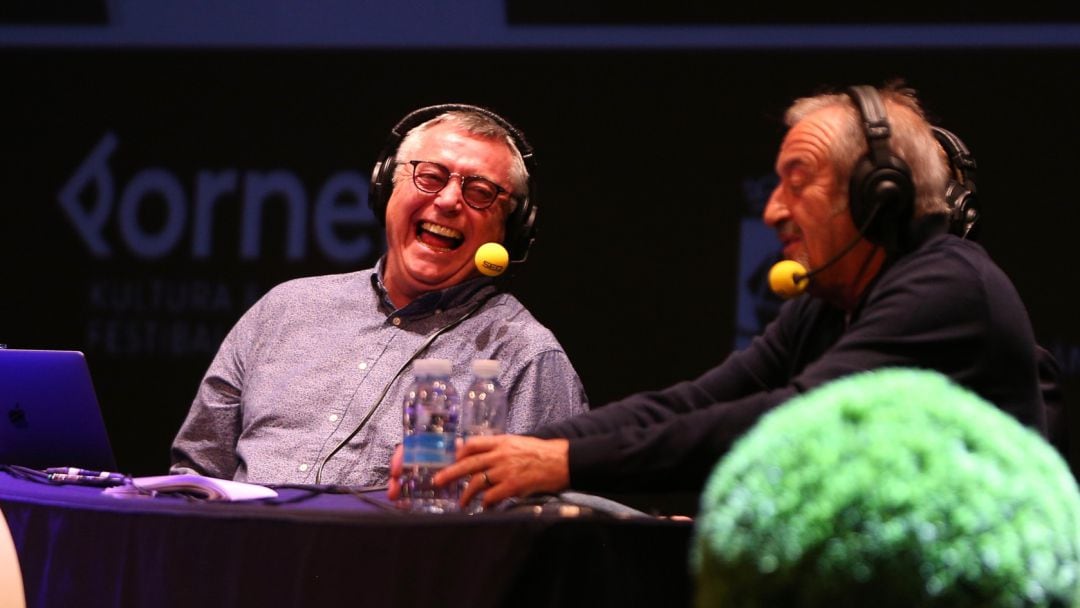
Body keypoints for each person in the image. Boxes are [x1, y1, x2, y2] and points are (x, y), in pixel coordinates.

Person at [404, 83, 1046, 508]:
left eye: (798, 183)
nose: (773, 211)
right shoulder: (830, 306)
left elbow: (788, 426)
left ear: (877, 194)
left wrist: (565, 460)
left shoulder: (949, 289)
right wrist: (517, 454)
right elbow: (697, 402)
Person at [171, 104, 589, 487]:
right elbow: (196, 478)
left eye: (480, 192)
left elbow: (546, 529)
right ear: (385, 186)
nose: (447, 200)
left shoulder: (527, 357)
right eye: (430, 176)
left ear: (511, 230)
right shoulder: (284, 310)